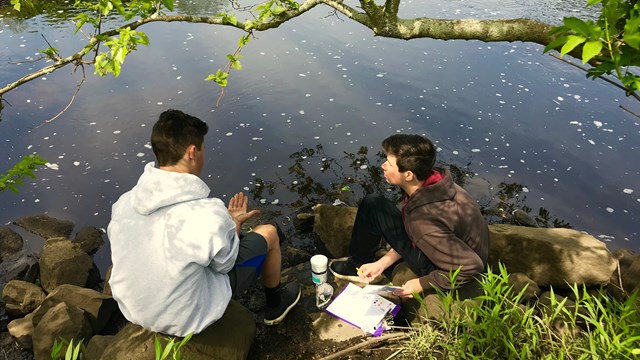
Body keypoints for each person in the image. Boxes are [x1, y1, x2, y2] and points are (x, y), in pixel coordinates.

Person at [107, 109, 300, 337]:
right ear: (192, 152)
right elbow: (225, 264)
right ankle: (276, 307)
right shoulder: (205, 212)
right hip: (185, 317)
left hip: (135, 309)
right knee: (269, 233)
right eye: (203, 149)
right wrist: (231, 226)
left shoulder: (124, 203)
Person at [330, 134, 489, 297]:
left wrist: (421, 283)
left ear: (408, 175)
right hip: (454, 249)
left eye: (389, 164)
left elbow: (471, 266)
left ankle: (353, 268)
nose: (383, 166)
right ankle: (364, 264)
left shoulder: (422, 222)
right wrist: (383, 262)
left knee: (373, 207)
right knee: (373, 204)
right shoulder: (437, 182)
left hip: (443, 266)